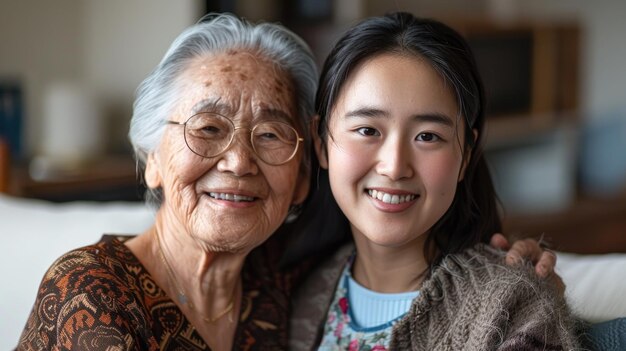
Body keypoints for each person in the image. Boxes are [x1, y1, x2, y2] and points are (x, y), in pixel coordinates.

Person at [17, 13, 560, 351]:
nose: (238, 161)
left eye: (272, 135)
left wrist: (521, 277)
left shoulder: (280, 281)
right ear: (151, 158)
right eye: (208, 128)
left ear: (304, 171)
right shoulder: (92, 294)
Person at [289, 12, 580, 350]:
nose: (395, 167)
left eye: (427, 136)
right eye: (368, 130)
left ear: (465, 157)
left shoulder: (512, 305)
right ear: (321, 143)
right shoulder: (300, 292)